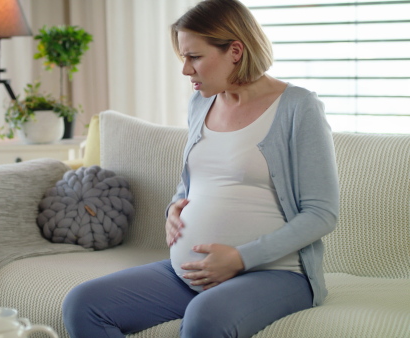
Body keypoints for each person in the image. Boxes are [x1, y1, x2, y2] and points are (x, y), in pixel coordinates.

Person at [62, 0, 339, 337]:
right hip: (191, 272)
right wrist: (174, 208)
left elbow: (322, 213)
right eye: (183, 58)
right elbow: (194, 181)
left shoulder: (298, 107)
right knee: (83, 303)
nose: (185, 70)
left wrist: (240, 257)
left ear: (235, 51)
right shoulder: (200, 103)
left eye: (194, 57)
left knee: (205, 319)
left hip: (276, 273)